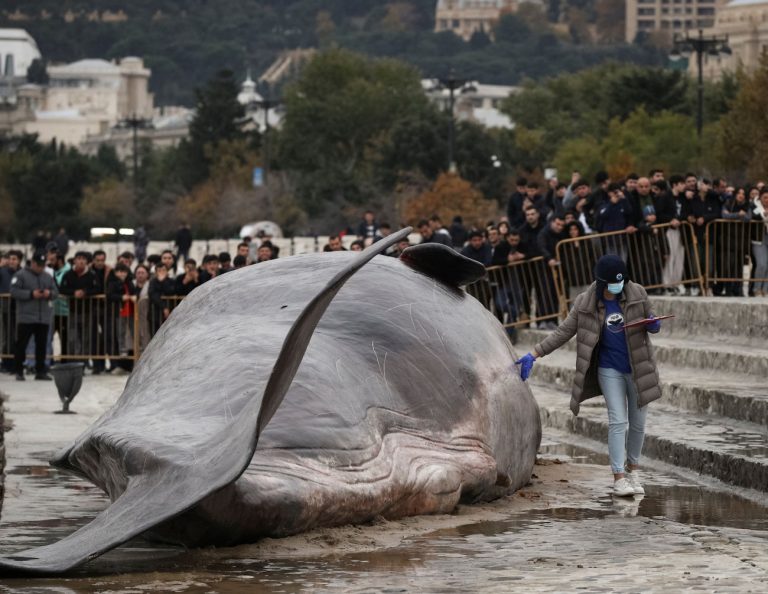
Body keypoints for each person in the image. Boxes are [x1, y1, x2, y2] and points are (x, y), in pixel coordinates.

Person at [514, 255, 663, 497]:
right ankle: (619, 477)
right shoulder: (585, 303)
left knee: (638, 424)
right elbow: (563, 331)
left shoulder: (637, 292)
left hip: (639, 368)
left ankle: (633, 470)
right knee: (617, 421)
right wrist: (535, 353)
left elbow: (652, 318)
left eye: (622, 281)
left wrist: (654, 324)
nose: (619, 286)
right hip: (609, 369)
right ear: (602, 283)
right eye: (614, 283)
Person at [10, 252, 58, 381]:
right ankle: (19, 371)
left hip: (43, 317)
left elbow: (55, 292)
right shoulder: (20, 275)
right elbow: (14, 291)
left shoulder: (47, 276)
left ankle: (40, 371)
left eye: (43, 265)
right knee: (21, 345)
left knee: (41, 345)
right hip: (26, 317)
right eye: (38, 265)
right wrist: (31, 294)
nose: (41, 268)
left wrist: (49, 293)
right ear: (32, 263)